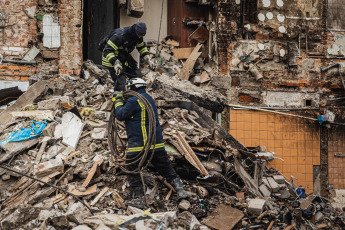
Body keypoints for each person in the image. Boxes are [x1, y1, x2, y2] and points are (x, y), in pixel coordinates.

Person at [114, 78, 192, 208]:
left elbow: (121, 114)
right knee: (165, 167)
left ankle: (138, 197)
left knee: (132, 168)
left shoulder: (134, 100)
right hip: (157, 144)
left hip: (140, 145)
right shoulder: (149, 98)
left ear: (133, 87)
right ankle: (180, 190)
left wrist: (117, 100)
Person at [102, 22, 155, 94]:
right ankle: (118, 100)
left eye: (141, 36)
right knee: (121, 83)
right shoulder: (119, 36)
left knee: (137, 76)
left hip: (124, 56)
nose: (139, 37)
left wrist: (148, 59)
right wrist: (115, 63)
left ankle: (134, 98)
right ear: (135, 31)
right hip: (111, 58)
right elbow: (107, 51)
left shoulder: (138, 36)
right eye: (139, 35)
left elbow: (141, 47)